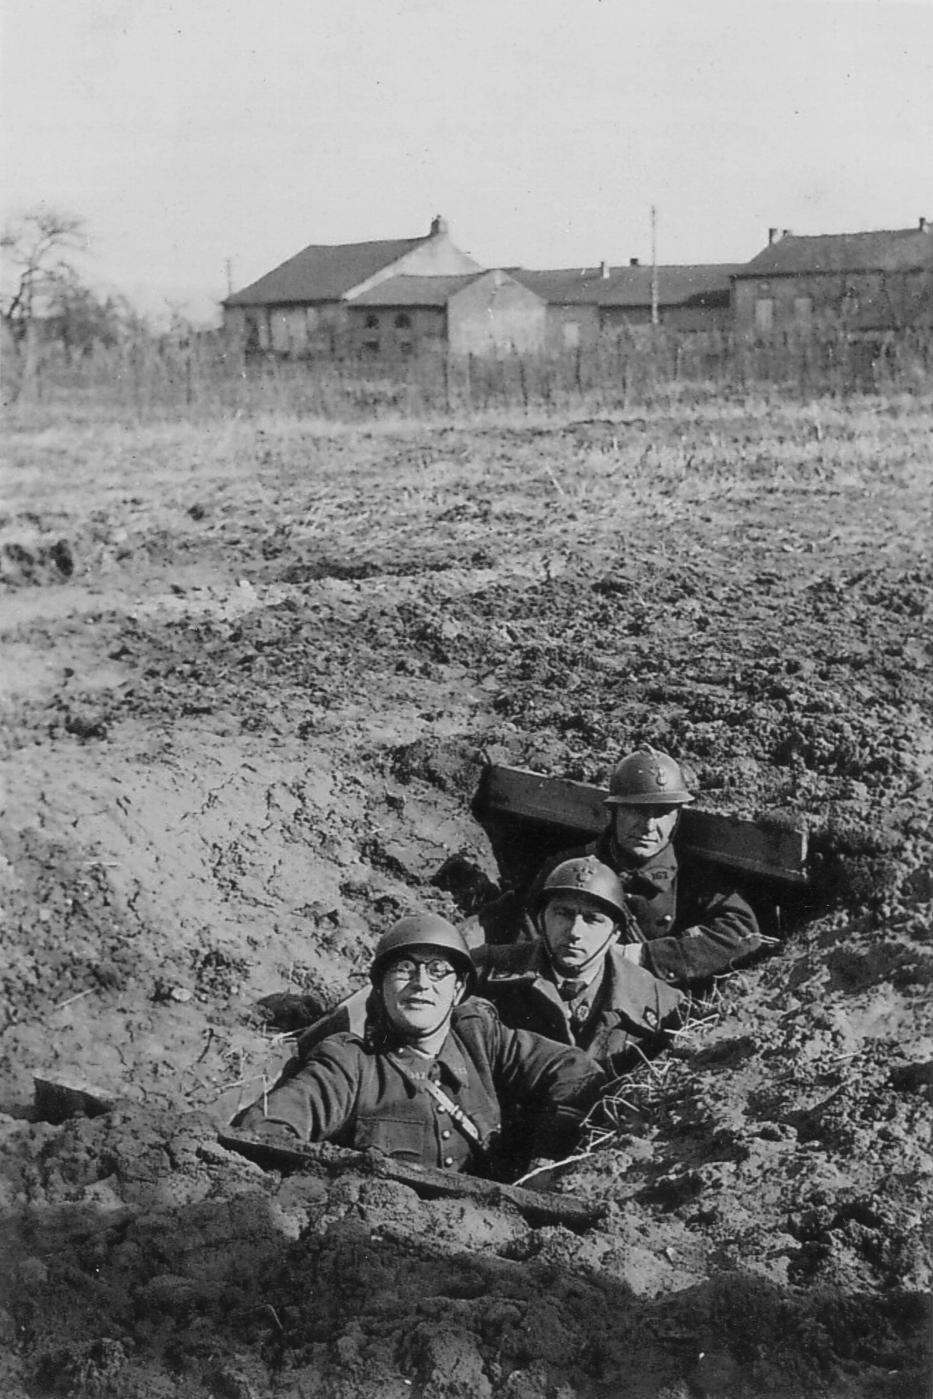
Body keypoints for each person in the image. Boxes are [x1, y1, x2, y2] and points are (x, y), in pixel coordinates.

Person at [235, 913, 605, 1178]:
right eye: (404, 970)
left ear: (458, 989)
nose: (421, 984)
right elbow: (264, 1128)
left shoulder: (480, 1038)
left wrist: (547, 1160)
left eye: (438, 971)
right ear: (380, 987)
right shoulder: (350, 1062)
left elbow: (577, 1072)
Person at [526, 748, 763, 988]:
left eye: (662, 813)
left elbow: (742, 934)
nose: (649, 826)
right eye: (637, 810)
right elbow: (527, 940)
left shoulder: (693, 877)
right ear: (614, 812)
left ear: (677, 818)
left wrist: (642, 956)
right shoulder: (568, 869)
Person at [474, 856, 684, 1075]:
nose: (575, 932)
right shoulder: (484, 971)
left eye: (593, 919)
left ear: (615, 934)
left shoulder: (663, 1004)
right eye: (563, 914)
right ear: (540, 920)